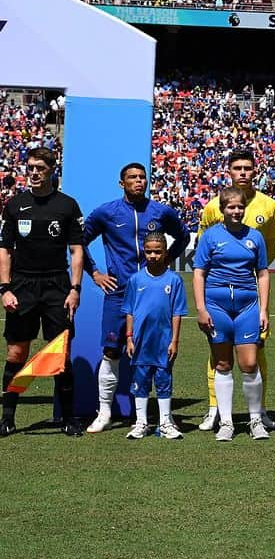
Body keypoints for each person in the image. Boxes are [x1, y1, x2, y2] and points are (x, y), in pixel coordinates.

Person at [83, 162, 189, 434]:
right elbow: (78, 241)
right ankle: (104, 412)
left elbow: (183, 235)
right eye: (132, 177)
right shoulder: (106, 212)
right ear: (122, 183)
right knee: (111, 350)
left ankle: (153, 417)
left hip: (153, 293)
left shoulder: (161, 211)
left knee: (157, 352)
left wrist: (166, 262)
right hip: (119, 293)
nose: (139, 181)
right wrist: (94, 272)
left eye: (142, 177)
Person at [0, 147, 85, 437]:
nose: (34, 172)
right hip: (22, 286)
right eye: (30, 167)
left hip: (57, 286)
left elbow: (76, 251)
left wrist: (75, 289)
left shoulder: (67, 206)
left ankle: (69, 418)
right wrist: (4, 289)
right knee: (16, 352)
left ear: (51, 169)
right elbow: (5, 251)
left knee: (61, 353)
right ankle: (7, 416)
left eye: (40, 168)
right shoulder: (14, 205)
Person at [197, 150, 275, 433]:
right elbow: (201, 263)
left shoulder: (269, 208)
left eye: (248, 167)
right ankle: (219, 414)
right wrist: (201, 306)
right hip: (218, 300)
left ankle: (259, 414)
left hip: (248, 298)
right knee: (220, 359)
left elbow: (267, 257)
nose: (243, 172)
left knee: (254, 356)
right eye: (237, 168)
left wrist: (263, 305)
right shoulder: (210, 212)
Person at [121, 231, 187, 440]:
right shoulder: (136, 279)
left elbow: (177, 313)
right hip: (141, 341)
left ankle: (165, 422)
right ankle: (141, 422)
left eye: (157, 252)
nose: (152, 256)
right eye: (148, 251)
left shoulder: (174, 280)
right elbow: (129, 311)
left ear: (165, 253)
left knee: (163, 379)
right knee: (140, 380)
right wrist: (129, 338)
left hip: (163, 341)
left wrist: (174, 341)